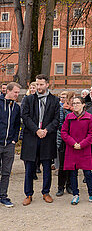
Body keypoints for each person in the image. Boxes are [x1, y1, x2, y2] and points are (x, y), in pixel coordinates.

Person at [20, 74, 60, 206]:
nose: (38, 87)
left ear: (47, 84)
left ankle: (46, 192)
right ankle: (28, 194)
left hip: (47, 137)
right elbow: (25, 117)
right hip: (31, 137)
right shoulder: (28, 99)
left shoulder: (54, 100)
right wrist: (36, 130)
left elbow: (56, 119)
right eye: (37, 84)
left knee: (47, 166)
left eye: (41, 84)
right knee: (29, 167)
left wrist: (46, 130)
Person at [61, 96, 92, 205]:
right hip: (72, 148)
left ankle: (91, 194)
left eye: (78, 103)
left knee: (88, 173)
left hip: (84, 149)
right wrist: (73, 143)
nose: (75, 105)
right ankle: (75, 194)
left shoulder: (89, 117)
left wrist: (82, 144)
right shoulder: (69, 117)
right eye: (73, 103)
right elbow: (64, 132)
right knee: (73, 173)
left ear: (83, 104)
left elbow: (91, 133)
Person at [0, 82, 21, 207]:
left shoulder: (16, 107)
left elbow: (17, 124)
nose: (17, 95)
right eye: (15, 92)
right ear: (8, 91)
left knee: (6, 172)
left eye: (18, 92)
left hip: (9, 144)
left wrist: (14, 139)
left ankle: (3, 196)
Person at [56, 91, 75, 197]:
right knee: (63, 165)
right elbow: (60, 124)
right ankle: (60, 186)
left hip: (74, 141)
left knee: (72, 166)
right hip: (64, 140)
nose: (73, 100)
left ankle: (70, 185)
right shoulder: (63, 109)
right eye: (71, 98)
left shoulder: (78, 111)